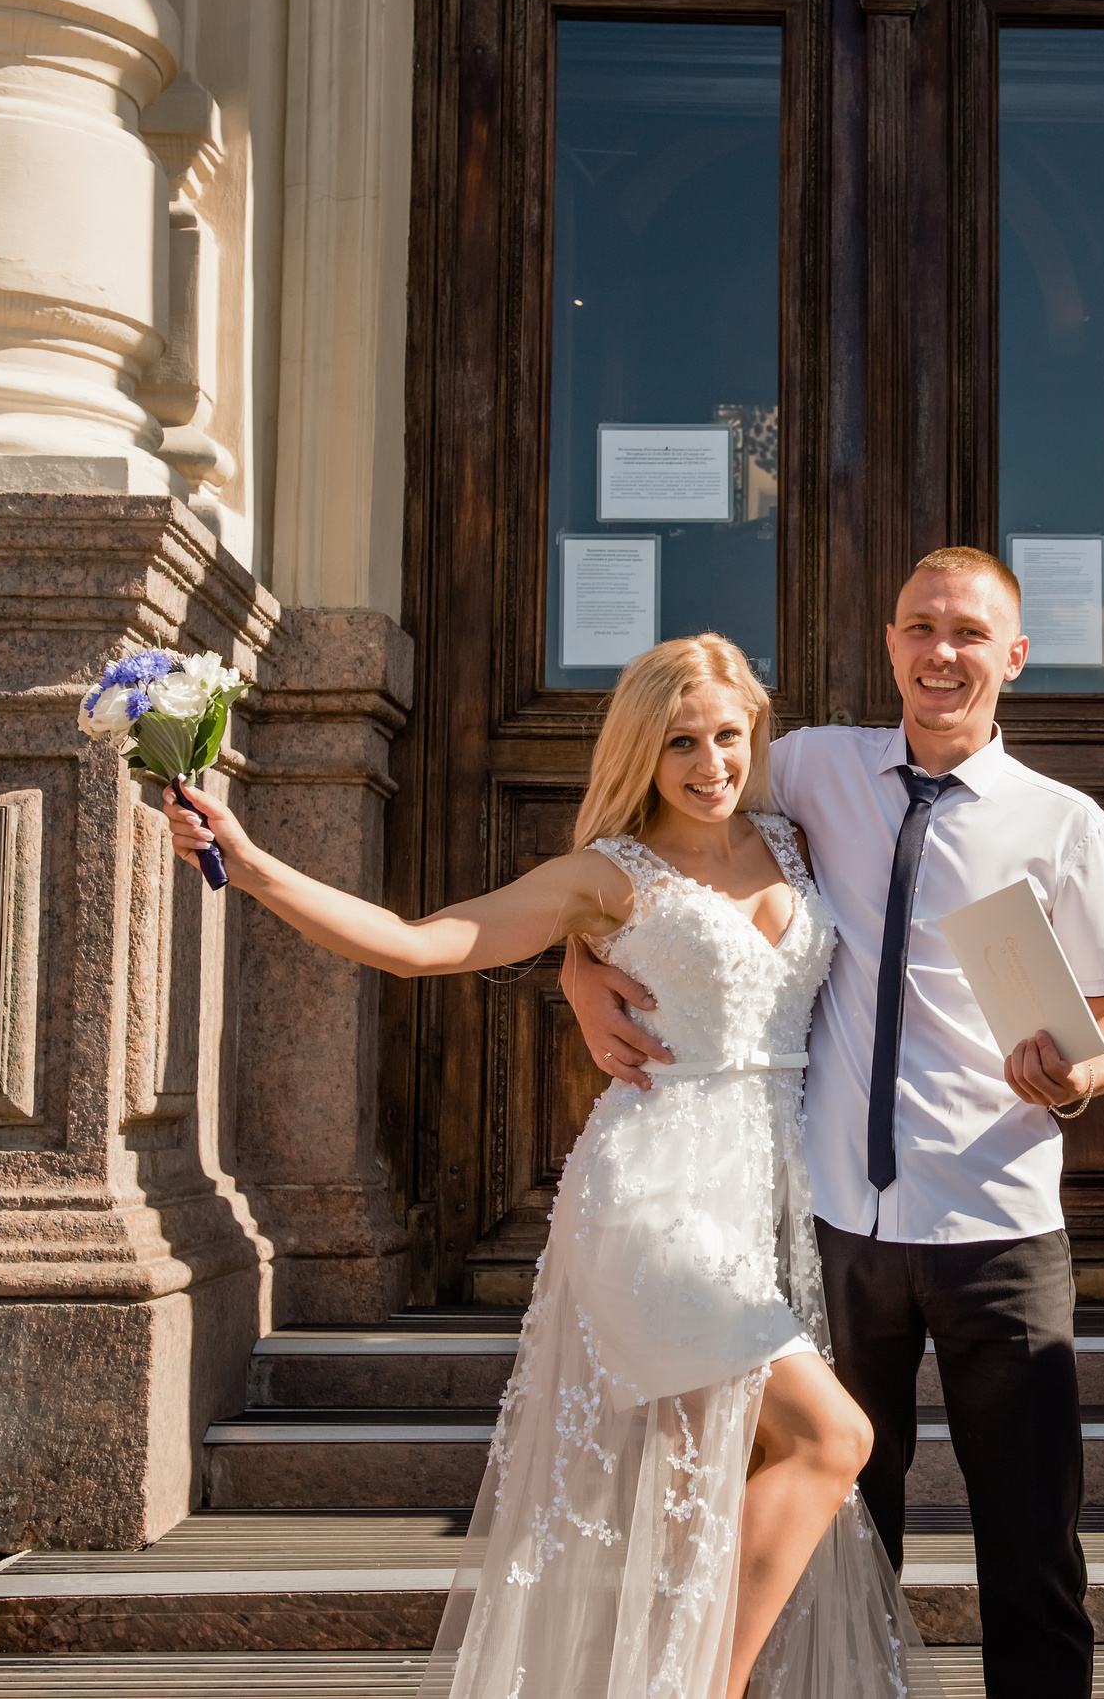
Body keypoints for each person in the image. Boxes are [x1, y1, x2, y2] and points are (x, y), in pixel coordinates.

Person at [158, 634, 923, 1699]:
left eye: (728, 736)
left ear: (757, 732)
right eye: (681, 743)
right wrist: (250, 863)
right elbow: (420, 943)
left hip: (768, 1195)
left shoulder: (794, 839)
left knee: (705, 1497)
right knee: (832, 1437)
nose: (710, 764)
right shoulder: (605, 874)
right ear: (641, 750)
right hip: (654, 1196)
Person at [565, 546, 1104, 1699]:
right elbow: (658, 828)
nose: (941, 651)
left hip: (996, 1222)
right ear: (889, 642)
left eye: (969, 632)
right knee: (835, 1534)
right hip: (836, 1223)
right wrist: (581, 967)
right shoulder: (811, 766)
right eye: (920, 625)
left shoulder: (1066, 823)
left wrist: (1079, 1076)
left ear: (1014, 656)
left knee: (1031, 1539)